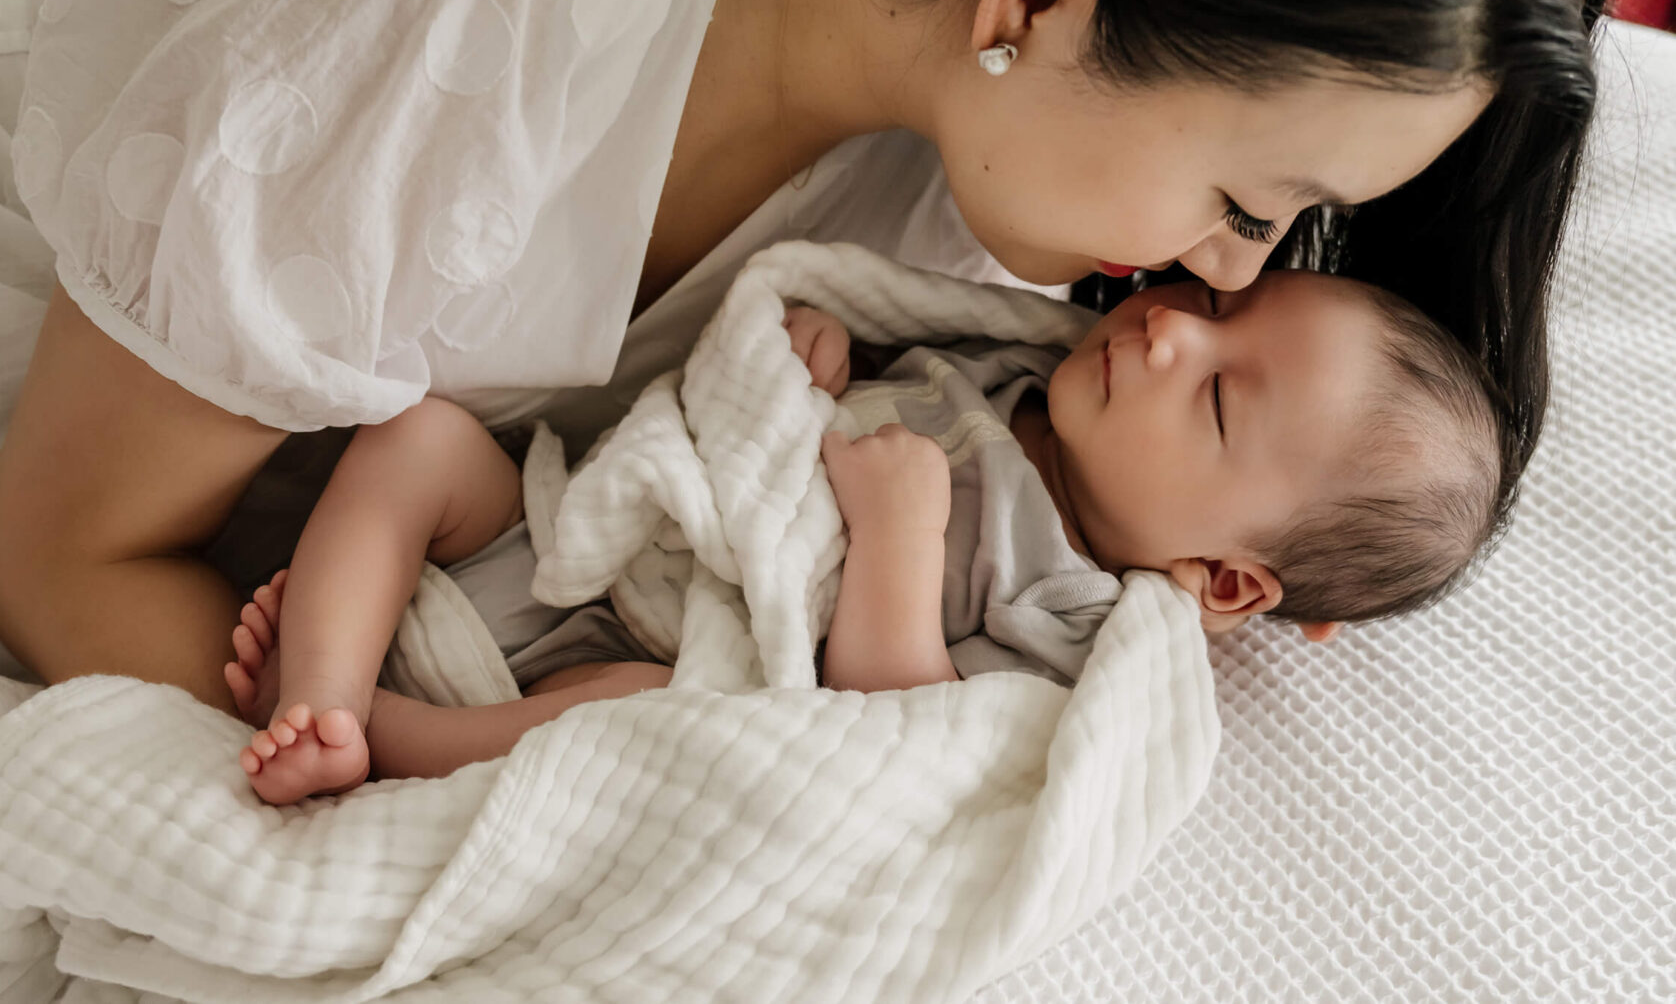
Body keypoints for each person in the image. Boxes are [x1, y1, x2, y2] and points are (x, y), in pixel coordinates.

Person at [0, 0, 1617, 719]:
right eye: (1251, 206)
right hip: (10, 391)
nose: (1223, 275)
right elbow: (67, 551)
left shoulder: (970, 222)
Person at [224, 267, 1499, 799]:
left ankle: (371, 739)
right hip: (582, 532)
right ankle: (322, 680)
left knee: (642, 711)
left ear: (1222, 577)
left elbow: (898, 720)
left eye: (1216, 394)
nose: (1171, 329)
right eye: (1222, 303)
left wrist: (900, 537)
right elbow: (810, 391)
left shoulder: (1078, 612)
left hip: (624, 655)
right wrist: (804, 370)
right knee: (424, 439)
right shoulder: (1006, 370)